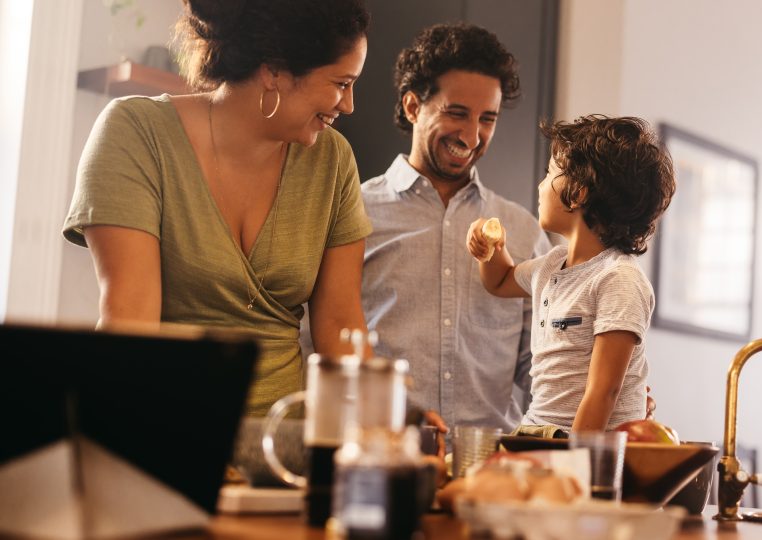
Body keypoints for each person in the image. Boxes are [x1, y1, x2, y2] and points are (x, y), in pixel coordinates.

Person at [61, 0, 372, 416]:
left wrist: (385, 414)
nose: (349, 104)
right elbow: (130, 321)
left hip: (280, 451)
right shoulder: (136, 133)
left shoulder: (332, 161)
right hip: (168, 429)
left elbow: (340, 327)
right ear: (274, 71)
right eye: (340, 83)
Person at [360, 24, 553, 442]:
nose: (472, 135)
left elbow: (540, 361)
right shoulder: (354, 212)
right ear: (413, 106)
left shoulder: (523, 229)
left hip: (491, 467)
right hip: (381, 453)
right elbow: (321, 344)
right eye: (457, 113)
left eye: (488, 119)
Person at [465, 115, 676, 432]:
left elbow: (604, 392)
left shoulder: (619, 279)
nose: (540, 185)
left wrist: (575, 462)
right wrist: (489, 244)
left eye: (550, 173)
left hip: (586, 444)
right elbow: (500, 280)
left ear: (578, 193)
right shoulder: (550, 266)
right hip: (538, 429)